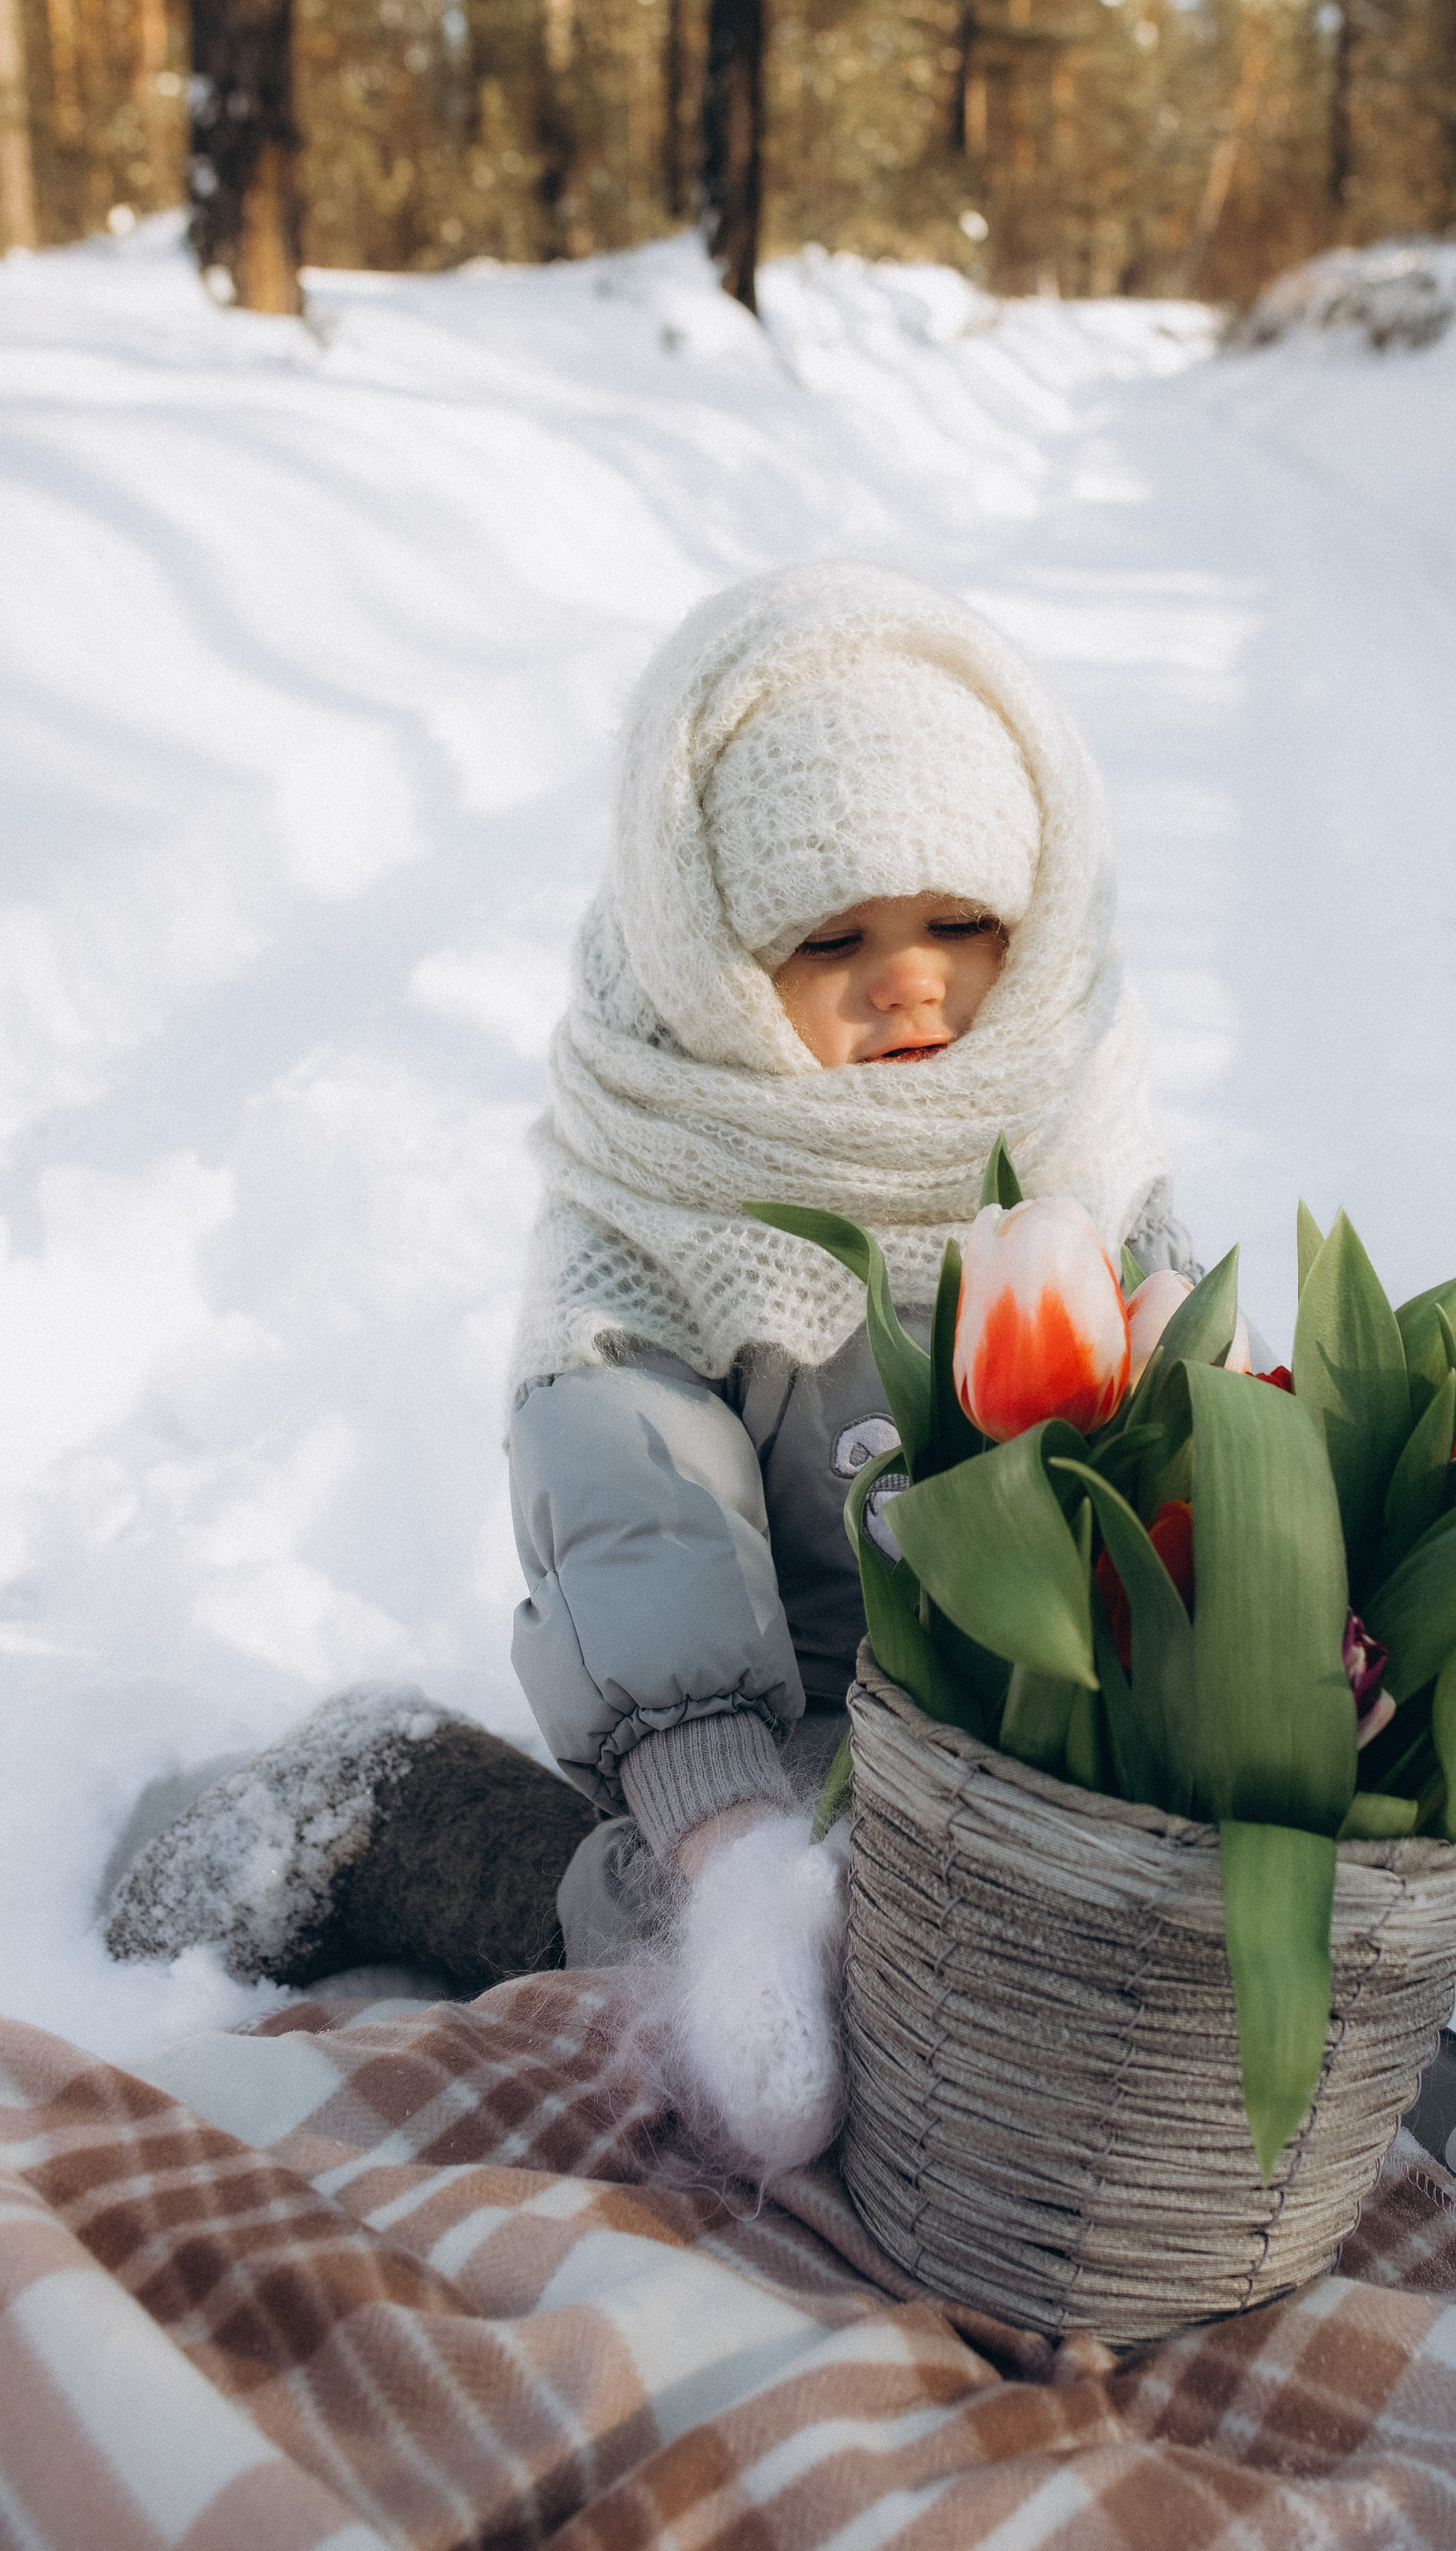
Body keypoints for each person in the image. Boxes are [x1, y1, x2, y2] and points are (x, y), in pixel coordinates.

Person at [105, 562, 1197, 2172]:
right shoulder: (662, 1201)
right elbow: (642, 1519)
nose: (912, 979)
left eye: (962, 925)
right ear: (719, 955)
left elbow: (1186, 1435)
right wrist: (735, 1845)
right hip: (768, 1732)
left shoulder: (1076, 1138)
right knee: (751, 1955)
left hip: (1030, 1734)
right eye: (836, 938)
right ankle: (390, 1805)